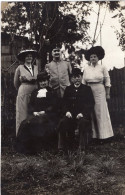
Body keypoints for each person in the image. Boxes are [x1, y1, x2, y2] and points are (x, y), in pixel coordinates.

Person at [16, 71, 59, 154]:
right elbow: (31, 105)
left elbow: (54, 105)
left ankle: (40, 149)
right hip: (36, 115)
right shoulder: (35, 92)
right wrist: (34, 112)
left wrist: (45, 111)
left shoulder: (52, 92)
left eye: (45, 81)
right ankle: (25, 149)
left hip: (49, 115)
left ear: (48, 81)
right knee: (25, 123)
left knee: (39, 122)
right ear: (39, 82)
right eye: (41, 81)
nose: (43, 83)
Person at [57, 68, 95, 152]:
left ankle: (81, 147)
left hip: (82, 115)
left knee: (83, 122)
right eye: (74, 77)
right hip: (70, 115)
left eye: (78, 76)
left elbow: (90, 104)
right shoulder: (68, 89)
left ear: (81, 77)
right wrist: (67, 112)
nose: (77, 79)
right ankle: (61, 148)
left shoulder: (87, 89)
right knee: (62, 122)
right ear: (71, 79)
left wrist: (82, 113)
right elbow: (64, 103)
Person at [82, 46, 114, 141]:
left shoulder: (103, 67)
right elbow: (84, 81)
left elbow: (107, 80)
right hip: (89, 91)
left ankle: (104, 136)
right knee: (91, 112)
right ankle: (94, 135)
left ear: (98, 57)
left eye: (95, 56)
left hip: (100, 90)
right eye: (91, 57)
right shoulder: (86, 68)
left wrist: (107, 93)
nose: (93, 58)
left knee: (101, 112)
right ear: (89, 58)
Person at [14, 49, 38, 135]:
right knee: (22, 115)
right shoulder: (19, 68)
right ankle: (20, 138)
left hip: (34, 93)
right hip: (23, 93)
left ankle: (32, 139)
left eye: (30, 56)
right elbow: (16, 83)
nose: (29, 57)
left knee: (32, 115)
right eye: (27, 56)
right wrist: (23, 88)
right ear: (24, 58)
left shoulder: (36, 68)